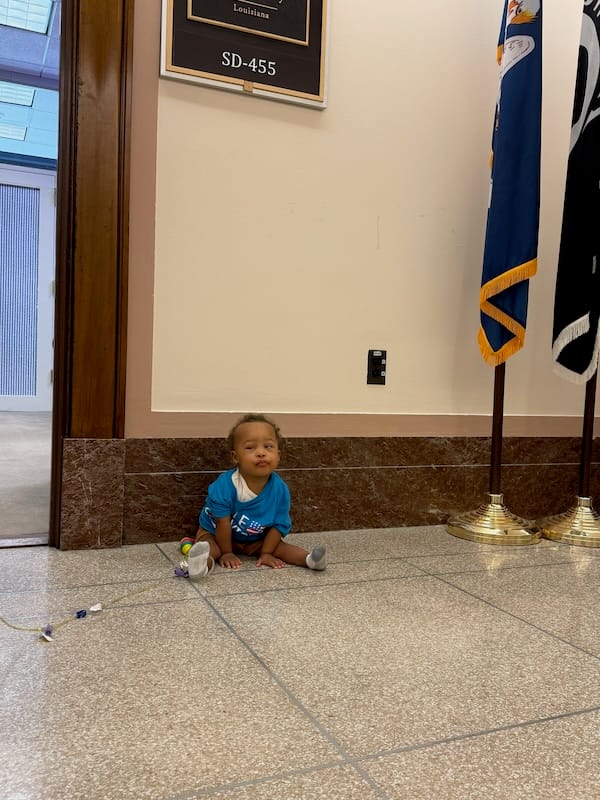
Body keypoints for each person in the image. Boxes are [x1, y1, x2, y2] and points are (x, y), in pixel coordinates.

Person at [183, 413, 327, 580]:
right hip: (216, 533)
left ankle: (311, 560)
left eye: (268, 446)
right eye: (251, 447)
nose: (261, 453)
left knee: (279, 548)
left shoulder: (280, 490)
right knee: (210, 548)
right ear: (235, 457)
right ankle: (200, 566)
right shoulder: (224, 485)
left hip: (254, 539)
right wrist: (227, 552)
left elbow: (278, 526)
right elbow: (222, 522)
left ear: (278, 455)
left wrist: (266, 553)